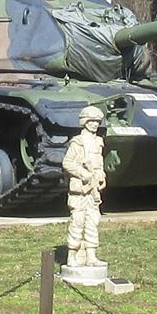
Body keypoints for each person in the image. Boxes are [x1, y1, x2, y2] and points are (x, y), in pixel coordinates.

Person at [63, 106, 109, 276]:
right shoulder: (78, 142)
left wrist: (101, 176)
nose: (95, 125)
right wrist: (84, 174)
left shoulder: (98, 142)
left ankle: (91, 256)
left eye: (97, 122)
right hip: (80, 189)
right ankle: (72, 255)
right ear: (84, 122)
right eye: (91, 121)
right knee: (78, 221)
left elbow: (99, 162)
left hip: (93, 190)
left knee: (93, 221)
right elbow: (68, 163)